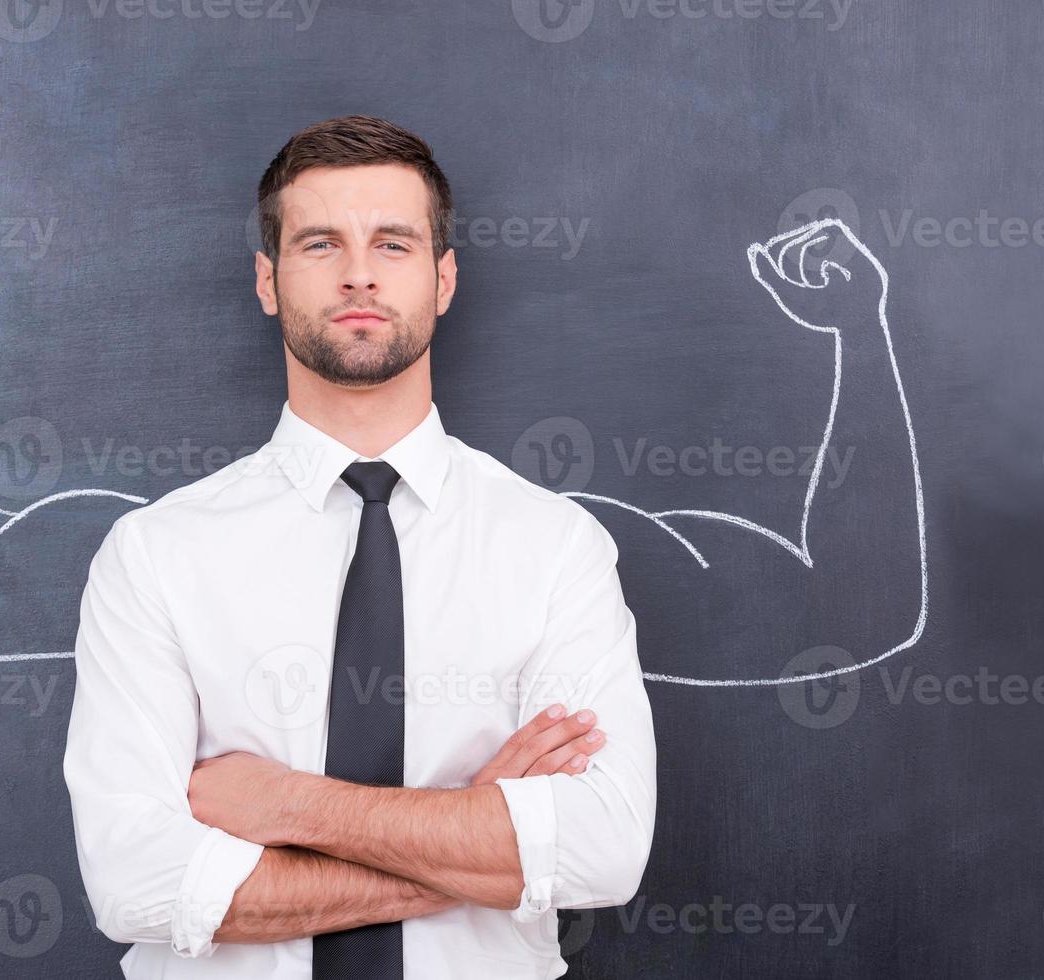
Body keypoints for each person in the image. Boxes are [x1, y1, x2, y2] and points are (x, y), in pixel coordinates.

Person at [62, 114, 657, 979]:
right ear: (266, 280)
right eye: (317, 244)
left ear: (443, 278)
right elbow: (133, 883)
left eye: (392, 243)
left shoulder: (555, 547)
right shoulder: (154, 553)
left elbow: (602, 850)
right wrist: (476, 833)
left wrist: (284, 805)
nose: (357, 275)